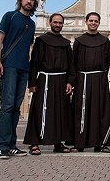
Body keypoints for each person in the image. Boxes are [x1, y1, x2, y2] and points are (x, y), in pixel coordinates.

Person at [0, 0, 38, 159]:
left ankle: (12, 144)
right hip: (10, 65)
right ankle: (3, 146)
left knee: (16, 107)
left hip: (23, 68)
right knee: (7, 106)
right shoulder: (10, 16)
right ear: (20, 0)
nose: (29, 1)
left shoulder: (32, 24)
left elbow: (29, 48)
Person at [23, 13, 76, 155]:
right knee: (39, 111)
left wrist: (70, 81)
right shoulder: (41, 41)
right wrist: (32, 82)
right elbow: (34, 62)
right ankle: (34, 143)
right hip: (44, 80)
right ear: (50, 23)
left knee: (60, 113)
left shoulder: (66, 43)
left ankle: (58, 143)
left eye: (60, 23)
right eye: (55, 22)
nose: (58, 25)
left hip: (61, 81)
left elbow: (71, 65)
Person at [69, 12, 110, 152]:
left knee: (100, 111)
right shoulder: (78, 41)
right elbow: (73, 62)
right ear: (86, 22)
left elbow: (107, 61)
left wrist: (101, 77)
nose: (93, 23)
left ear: (99, 23)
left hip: (99, 80)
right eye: (91, 21)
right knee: (81, 111)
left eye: (96, 21)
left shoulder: (105, 41)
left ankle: (99, 143)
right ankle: (80, 143)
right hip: (82, 79)